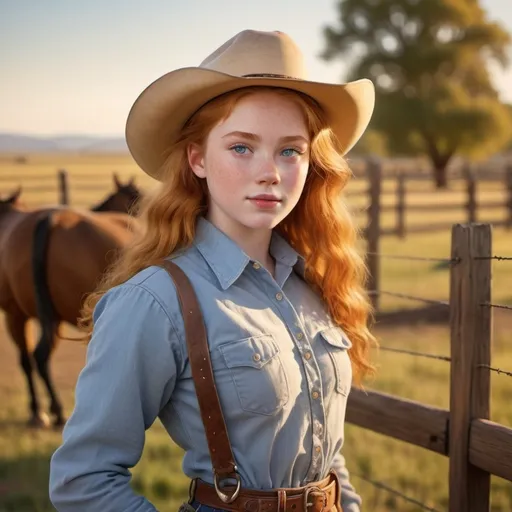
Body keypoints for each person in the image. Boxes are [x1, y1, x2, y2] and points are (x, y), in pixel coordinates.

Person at [49, 29, 377, 512]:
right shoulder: (156, 301)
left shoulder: (310, 284)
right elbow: (83, 480)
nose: (270, 171)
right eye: (242, 147)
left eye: (291, 150)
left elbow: (324, 449)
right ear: (197, 158)